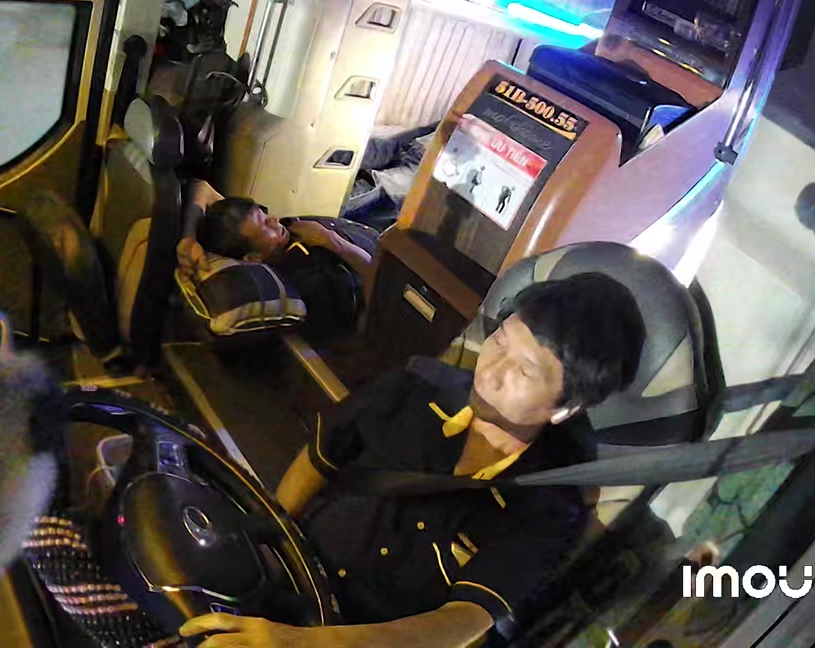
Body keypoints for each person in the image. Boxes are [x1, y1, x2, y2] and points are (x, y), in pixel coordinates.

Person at [179, 272, 646, 647]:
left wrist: (303, 642)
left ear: (565, 408)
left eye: (524, 370)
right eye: (501, 341)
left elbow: (462, 622)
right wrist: (270, 545)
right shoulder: (412, 388)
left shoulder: (551, 507)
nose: (492, 372)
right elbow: (318, 459)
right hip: (292, 571)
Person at [180, 179, 376, 337]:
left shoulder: (251, 235)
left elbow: (202, 187)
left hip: (352, 226)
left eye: (265, 215)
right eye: (265, 226)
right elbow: (378, 281)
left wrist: (188, 237)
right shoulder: (308, 279)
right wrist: (332, 241)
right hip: (376, 245)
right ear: (253, 258)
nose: (274, 220)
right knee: (385, 180)